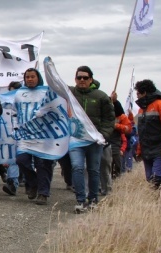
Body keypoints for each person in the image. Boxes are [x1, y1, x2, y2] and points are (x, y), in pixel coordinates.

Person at [68, 66, 114, 209]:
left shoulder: (101, 96)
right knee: (77, 167)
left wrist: (103, 135)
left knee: (94, 170)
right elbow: (54, 85)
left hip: (94, 141)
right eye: (79, 77)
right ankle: (81, 200)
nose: (82, 80)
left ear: (91, 79)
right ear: (75, 79)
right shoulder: (69, 94)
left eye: (85, 78)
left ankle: (93, 199)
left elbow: (109, 118)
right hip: (76, 140)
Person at [14, 68, 57, 206]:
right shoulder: (19, 93)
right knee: (21, 160)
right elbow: (15, 112)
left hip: (43, 135)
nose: (30, 79)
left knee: (42, 164)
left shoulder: (46, 92)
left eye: (33, 76)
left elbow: (55, 109)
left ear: (38, 77)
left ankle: (43, 193)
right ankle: (33, 183)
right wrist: (15, 127)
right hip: (25, 134)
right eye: (27, 77)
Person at [134, 79, 161, 205]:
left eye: (138, 92)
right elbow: (141, 132)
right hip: (147, 150)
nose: (136, 95)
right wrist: (139, 149)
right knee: (151, 178)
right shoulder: (141, 110)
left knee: (158, 177)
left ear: (144, 92)